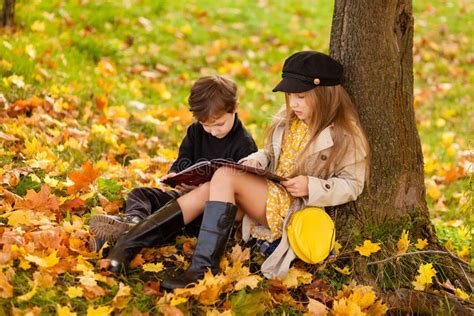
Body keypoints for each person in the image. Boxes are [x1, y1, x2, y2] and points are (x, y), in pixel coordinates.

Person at [106, 51, 370, 290]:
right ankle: (127, 245)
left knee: (223, 176)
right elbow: (272, 154)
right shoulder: (290, 121)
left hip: (295, 206)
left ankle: (199, 271)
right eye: (290, 96)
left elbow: (352, 185)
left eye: (300, 97)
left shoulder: (345, 134)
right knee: (209, 189)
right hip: (269, 194)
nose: (294, 103)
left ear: (325, 94)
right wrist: (257, 160)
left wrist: (312, 186)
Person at [89, 75, 258, 247]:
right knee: (140, 194)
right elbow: (184, 159)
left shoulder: (245, 145)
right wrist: (175, 175)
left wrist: (203, 191)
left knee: (173, 221)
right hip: (184, 196)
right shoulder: (196, 131)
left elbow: (245, 194)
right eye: (207, 126)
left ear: (235, 108)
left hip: (210, 211)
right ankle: (133, 221)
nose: (213, 132)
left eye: (219, 125)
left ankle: (123, 236)